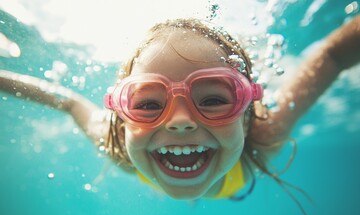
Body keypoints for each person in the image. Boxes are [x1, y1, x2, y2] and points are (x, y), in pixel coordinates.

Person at [1, 16, 359, 202]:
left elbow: (332, 56)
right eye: (147, 104)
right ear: (121, 118)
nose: (182, 121)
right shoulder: (118, 146)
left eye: (215, 99)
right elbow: (67, 100)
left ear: (248, 113)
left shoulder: (261, 139)